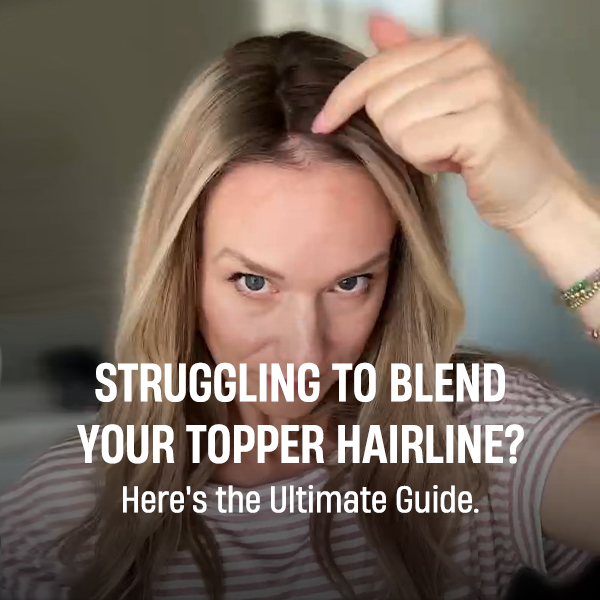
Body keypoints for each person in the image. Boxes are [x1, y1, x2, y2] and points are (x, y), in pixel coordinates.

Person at [1, 13, 600, 600]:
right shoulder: (65, 514)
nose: (306, 354)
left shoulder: (477, 434)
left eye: (350, 283)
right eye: (254, 282)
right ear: (182, 274)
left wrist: (548, 206)